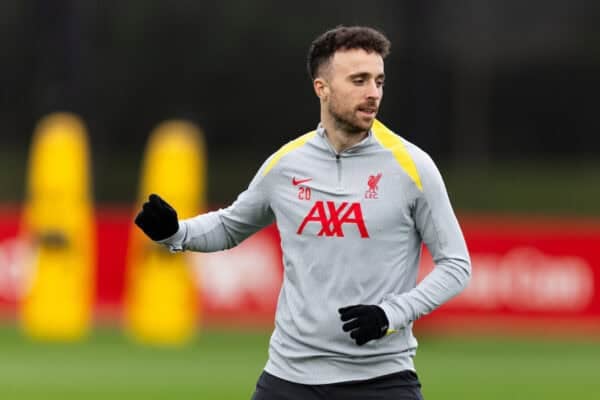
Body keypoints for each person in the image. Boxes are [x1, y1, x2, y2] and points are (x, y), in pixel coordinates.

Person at [135, 25, 471, 400]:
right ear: (321, 88)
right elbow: (230, 226)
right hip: (289, 379)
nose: (373, 93)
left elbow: (456, 265)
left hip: (382, 381)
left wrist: (391, 315)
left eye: (379, 81)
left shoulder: (413, 167)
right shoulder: (287, 164)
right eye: (359, 80)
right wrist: (175, 233)